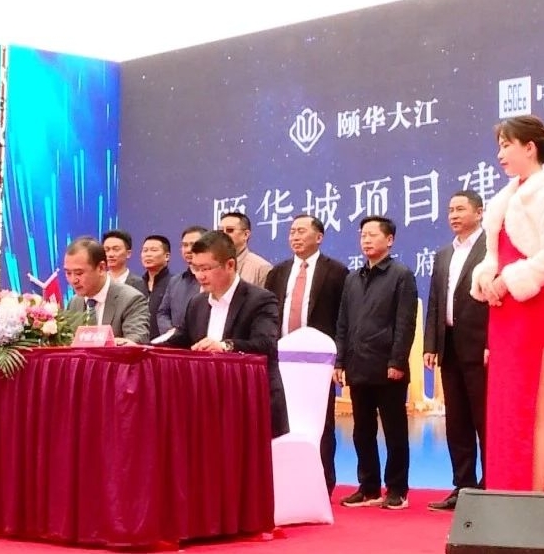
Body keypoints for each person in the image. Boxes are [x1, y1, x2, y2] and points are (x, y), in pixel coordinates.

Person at [470, 116, 544, 493]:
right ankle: (504, 493)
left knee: (531, 407)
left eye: (506, 145)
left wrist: (510, 280)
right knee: (505, 409)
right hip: (503, 314)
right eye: (498, 146)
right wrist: (486, 277)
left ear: (529, 148)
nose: (499, 154)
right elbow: (492, 255)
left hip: (530, 313)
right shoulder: (506, 197)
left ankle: (533, 497)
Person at [166, 231, 289, 439]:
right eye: (196, 268)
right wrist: (140, 347)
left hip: (250, 403)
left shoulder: (260, 299)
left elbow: (265, 344)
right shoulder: (197, 303)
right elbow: (180, 341)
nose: (200, 276)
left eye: (206, 268)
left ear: (230, 265)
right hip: (206, 405)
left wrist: (225, 346)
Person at [335, 216, 418, 510]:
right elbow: (343, 323)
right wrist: (340, 361)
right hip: (358, 365)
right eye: (363, 235)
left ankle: (397, 489)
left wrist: (397, 361)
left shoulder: (401, 275)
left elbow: (405, 323)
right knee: (362, 431)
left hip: (388, 366)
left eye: (373, 235)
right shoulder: (352, 278)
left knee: (394, 431)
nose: (366, 240)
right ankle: (368, 487)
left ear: (390, 240)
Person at [264, 214, 348, 495]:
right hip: (281, 359)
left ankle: (322, 483)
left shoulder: (336, 272)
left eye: (301, 231)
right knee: (281, 419)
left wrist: (338, 358)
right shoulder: (278, 272)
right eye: (292, 232)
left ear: (319, 237)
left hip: (318, 363)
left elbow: (342, 319)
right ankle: (284, 481)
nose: (295, 236)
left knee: (321, 422)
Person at [423, 191, 490, 511]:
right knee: (457, 422)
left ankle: (491, 484)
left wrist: (493, 342)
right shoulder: (443, 254)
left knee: (484, 419)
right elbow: (436, 300)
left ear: (479, 212)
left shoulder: (492, 249)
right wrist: (431, 344)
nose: (453, 215)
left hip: (480, 347)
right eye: (450, 210)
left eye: (460, 209)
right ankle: (463, 485)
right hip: (449, 346)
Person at [63, 237, 151, 344]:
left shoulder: (131, 300)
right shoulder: (74, 302)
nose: (73, 280)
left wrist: (115, 345)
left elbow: (136, 339)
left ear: (101, 268)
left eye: (79, 273)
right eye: (68, 273)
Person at [156, 225, 208, 338]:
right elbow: (163, 313)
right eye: (185, 245)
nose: (188, 250)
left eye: (193, 244)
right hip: (175, 343)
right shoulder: (175, 281)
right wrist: (173, 333)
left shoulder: (212, 280)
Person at [219, 211, 272, 287]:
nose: (224, 235)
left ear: (246, 235)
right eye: (220, 231)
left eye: (230, 230)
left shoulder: (261, 268)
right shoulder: (213, 266)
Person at [138, 234, 172, 338]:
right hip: (139, 342)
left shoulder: (174, 283)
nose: (148, 254)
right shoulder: (136, 284)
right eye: (145, 250)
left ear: (167, 256)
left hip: (165, 342)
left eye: (153, 250)